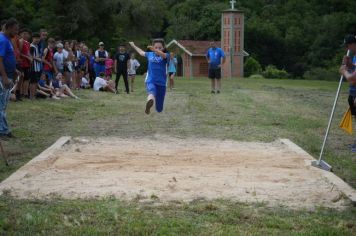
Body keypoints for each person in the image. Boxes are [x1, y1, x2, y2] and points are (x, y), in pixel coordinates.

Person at [129, 39, 170, 114]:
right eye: (156, 47)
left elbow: (163, 55)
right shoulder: (150, 54)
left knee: (159, 109)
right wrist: (133, 45)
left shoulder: (166, 55)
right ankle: (149, 102)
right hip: (151, 80)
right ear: (153, 47)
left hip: (161, 83)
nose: (157, 49)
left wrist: (155, 50)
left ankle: (155, 105)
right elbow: (141, 52)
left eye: (159, 48)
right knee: (151, 92)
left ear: (163, 48)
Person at [0, 18, 19, 138]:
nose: (16, 32)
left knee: (3, 105)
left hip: (8, 74)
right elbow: (0, 60)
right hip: (3, 78)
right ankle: (3, 131)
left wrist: (14, 69)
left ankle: (4, 129)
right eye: (15, 30)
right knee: (1, 105)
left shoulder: (7, 39)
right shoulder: (2, 40)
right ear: (8, 27)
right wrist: (5, 77)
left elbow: (7, 57)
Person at [339, 35, 356, 151]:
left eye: (348, 45)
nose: (347, 49)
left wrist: (344, 71)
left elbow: (353, 78)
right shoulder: (355, 57)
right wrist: (350, 65)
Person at [19, 28, 32, 99]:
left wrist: (30, 58)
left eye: (26, 34)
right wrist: (27, 57)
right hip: (22, 62)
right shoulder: (21, 41)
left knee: (27, 78)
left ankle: (25, 93)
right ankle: (20, 92)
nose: (25, 35)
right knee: (22, 78)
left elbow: (28, 52)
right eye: (24, 34)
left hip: (27, 63)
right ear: (21, 34)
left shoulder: (27, 43)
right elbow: (19, 53)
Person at [29, 32, 42, 99]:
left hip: (37, 67)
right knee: (32, 82)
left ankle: (34, 95)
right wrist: (37, 59)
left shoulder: (36, 46)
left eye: (38, 38)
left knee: (35, 82)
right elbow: (30, 56)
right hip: (33, 67)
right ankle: (31, 96)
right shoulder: (31, 46)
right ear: (32, 38)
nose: (37, 40)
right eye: (35, 38)